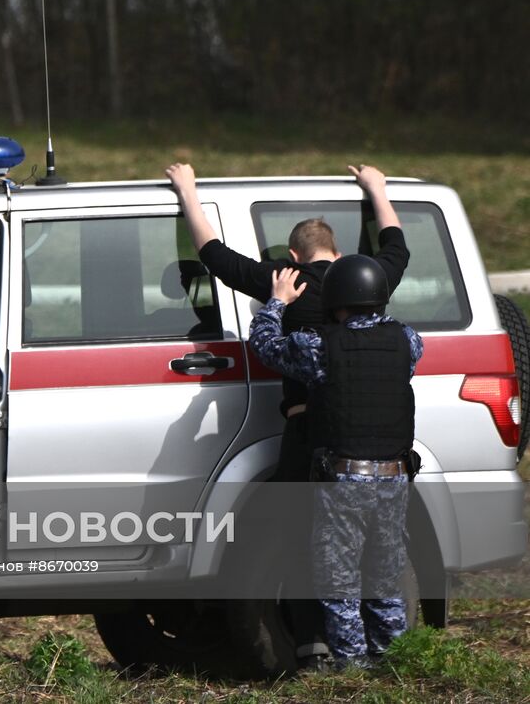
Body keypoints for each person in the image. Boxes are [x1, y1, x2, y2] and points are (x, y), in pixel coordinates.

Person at [166, 162, 409, 669]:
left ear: (294, 255)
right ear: (340, 254)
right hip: (380, 451)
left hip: (308, 433)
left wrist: (189, 190)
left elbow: (215, 256)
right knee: (377, 559)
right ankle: (392, 654)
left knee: (305, 541)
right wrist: (376, 188)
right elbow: (395, 246)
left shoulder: (285, 279)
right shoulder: (385, 305)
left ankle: (316, 647)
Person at [249, 257, 423, 669]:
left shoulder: (320, 347)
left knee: (338, 577)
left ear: (335, 300)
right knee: (384, 573)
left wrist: (277, 302)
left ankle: (351, 665)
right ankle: (394, 660)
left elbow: (265, 344)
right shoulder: (408, 340)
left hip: (346, 479)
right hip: (395, 476)